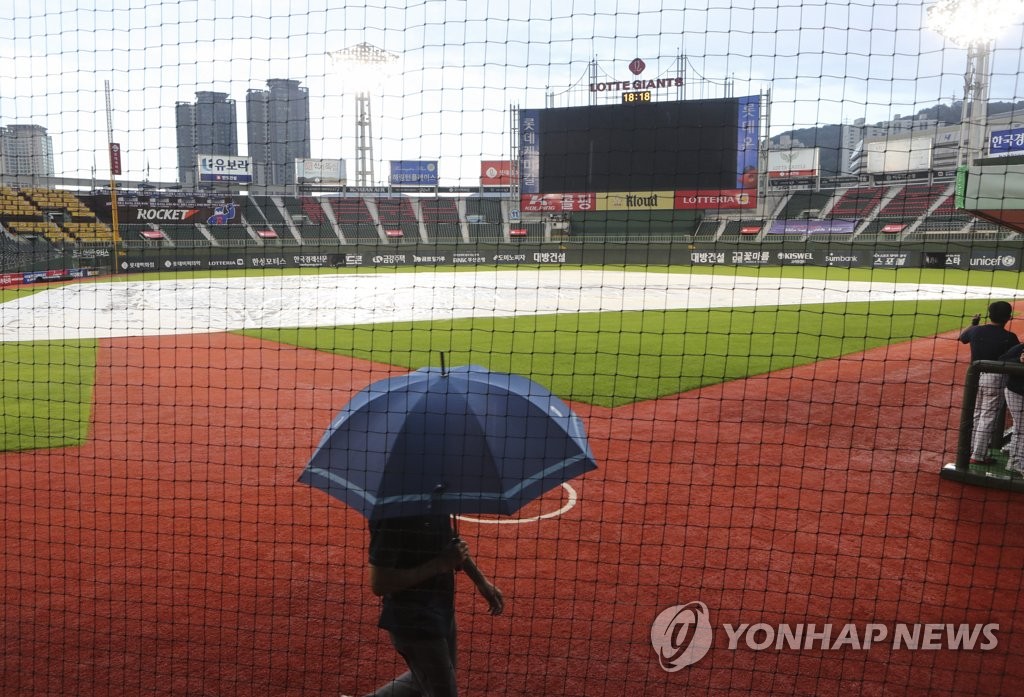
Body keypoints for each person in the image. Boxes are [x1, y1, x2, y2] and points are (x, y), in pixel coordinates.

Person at [361, 514, 504, 697]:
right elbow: (379, 583)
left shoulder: (433, 492)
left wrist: (480, 580)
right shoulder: (391, 515)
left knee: (422, 680)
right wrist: (440, 564)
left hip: (441, 609)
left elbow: (446, 533)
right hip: (413, 621)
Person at [959, 301, 1019, 464]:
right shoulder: (1009, 337)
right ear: (1008, 317)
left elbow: (962, 337)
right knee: (988, 416)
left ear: (989, 314)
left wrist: (973, 323)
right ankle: (978, 455)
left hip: (974, 377)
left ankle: (971, 449)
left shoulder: (976, 330)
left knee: (976, 413)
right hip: (995, 379)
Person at [999, 341, 1024, 479]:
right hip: (1015, 393)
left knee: (1020, 428)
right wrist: (1018, 360)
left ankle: (1013, 454)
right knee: (1022, 428)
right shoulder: (1021, 348)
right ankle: (1015, 462)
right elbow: (1001, 360)